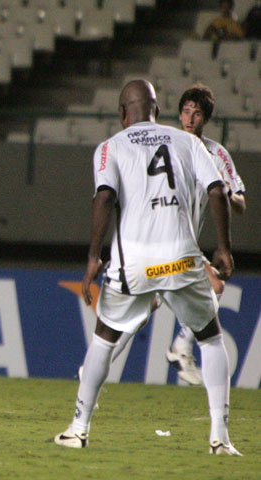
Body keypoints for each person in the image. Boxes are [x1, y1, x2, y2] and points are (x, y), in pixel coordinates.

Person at [55, 80, 241, 455]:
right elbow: (217, 191)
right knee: (210, 337)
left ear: (123, 113)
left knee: (104, 340)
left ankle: (78, 429)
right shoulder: (189, 142)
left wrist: (93, 256)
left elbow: (104, 197)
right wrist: (223, 248)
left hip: (135, 264)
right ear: (156, 110)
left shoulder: (110, 148)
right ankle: (220, 438)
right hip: (183, 260)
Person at [99, 84, 247, 386]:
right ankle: (180, 348)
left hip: (181, 244)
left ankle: (97, 367)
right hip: (165, 243)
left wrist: (228, 194)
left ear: (206, 119)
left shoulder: (216, 154)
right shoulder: (167, 143)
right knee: (211, 286)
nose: (190, 118)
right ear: (178, 113)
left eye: (197, 114)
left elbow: (240, 201)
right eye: (186, 111)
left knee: (144, 308)